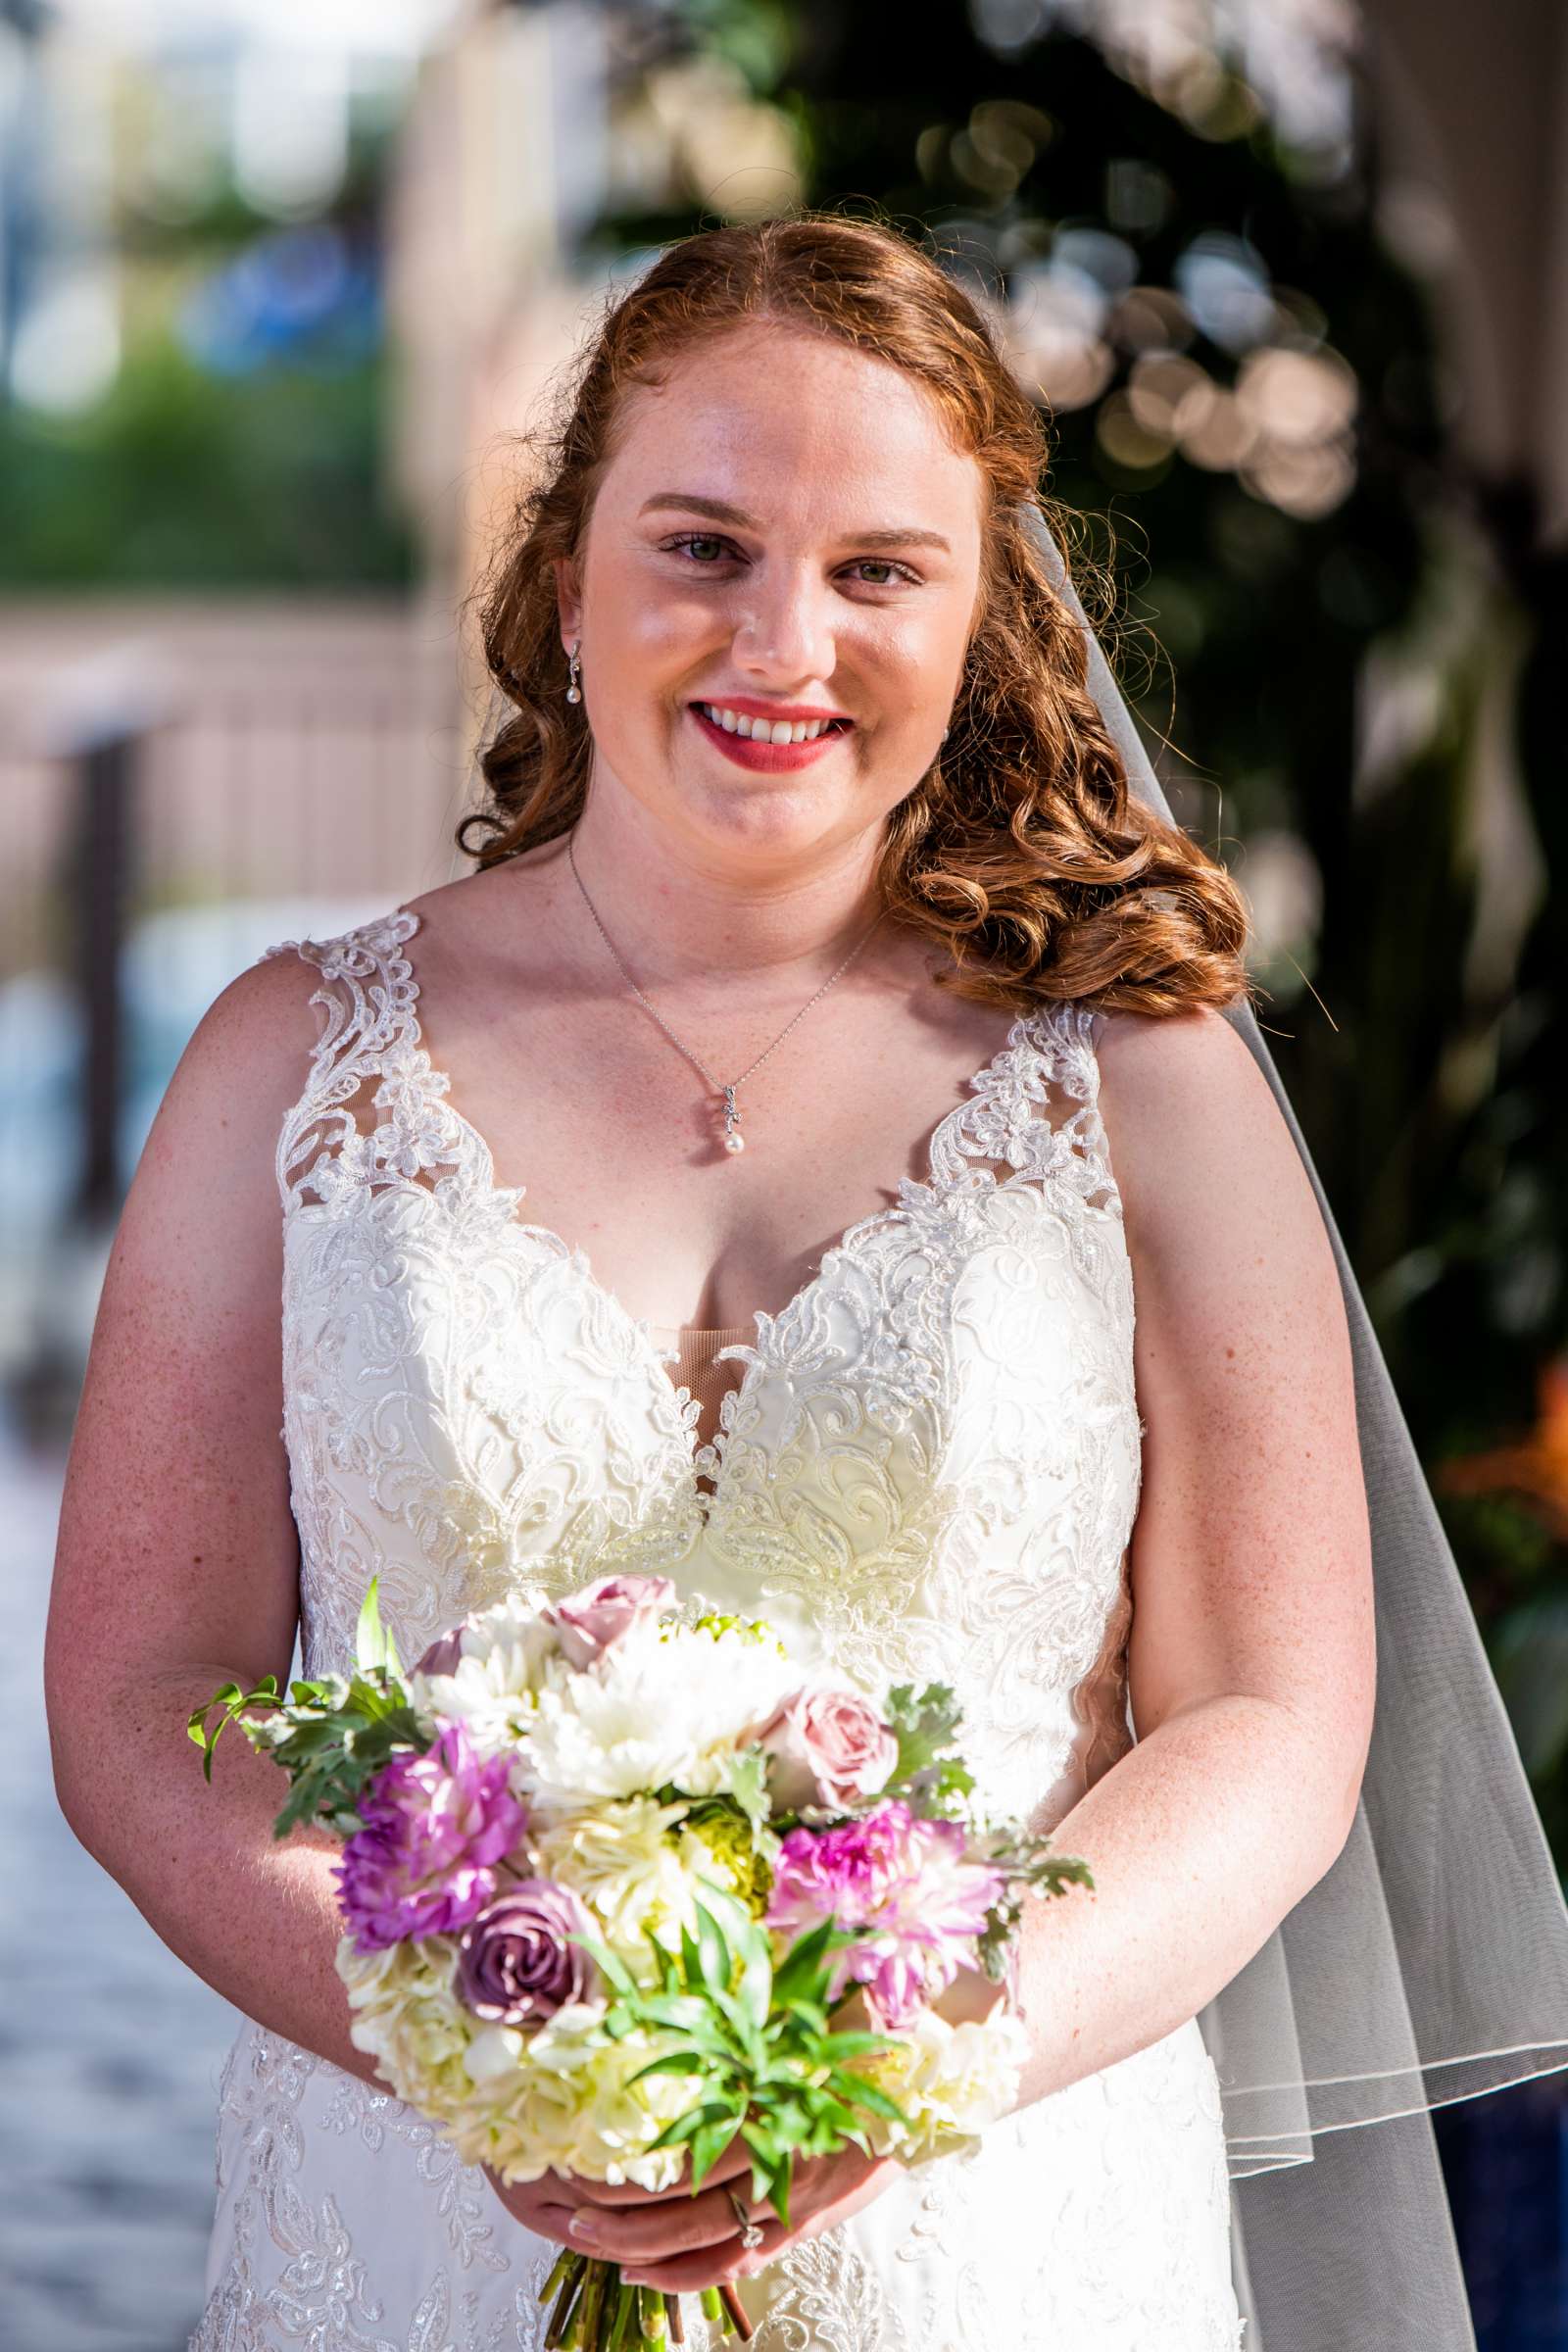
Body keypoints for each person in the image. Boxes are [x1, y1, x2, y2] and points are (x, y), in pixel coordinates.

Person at [43, 212, 1544, 2352]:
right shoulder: (290, 1066)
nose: (782, 645)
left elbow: (1267, 1720)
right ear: (567, 572)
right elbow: (134, 1701)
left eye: (874, 570)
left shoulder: (1143, 1079)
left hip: (1002, 2231)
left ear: (977, 616)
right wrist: (473, 2053)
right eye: (701, 545)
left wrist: (919, 2056)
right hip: (415, 2223)